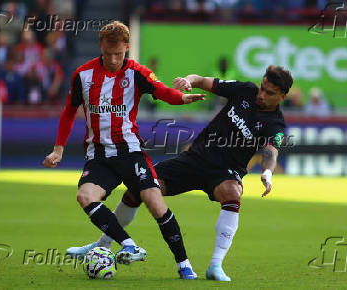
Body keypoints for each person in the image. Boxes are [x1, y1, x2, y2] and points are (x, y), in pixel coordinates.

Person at [67, 65, 293, 281]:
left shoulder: (276, 124)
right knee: (140, 188)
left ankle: (216, 265)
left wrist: (267, 173)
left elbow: (271, 152)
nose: (261, 94)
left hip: (225, 171)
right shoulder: (246, 90)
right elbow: (202, 80)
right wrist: (189, 81)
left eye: (269, 92)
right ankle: (102, 244)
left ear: (282, 96)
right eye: (262, 87)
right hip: (194, 159)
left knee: (233, 192)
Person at [42, 21, 205, 279]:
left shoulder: (136, 72)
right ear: (101, 47)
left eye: (119, 54)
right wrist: (58, 149)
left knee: (155, 203)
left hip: (130, 152)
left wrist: (181, 97)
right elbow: (69, 111)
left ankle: (183, 263)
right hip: (98, 155)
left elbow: (161, 91)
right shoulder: (83, 75)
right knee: (85, 196)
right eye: (108, 54)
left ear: (126, 48)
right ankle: (128, 244)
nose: (114, 59)